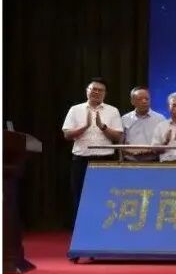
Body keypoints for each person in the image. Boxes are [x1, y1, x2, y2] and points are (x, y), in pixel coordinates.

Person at [62, 77, 124, 223]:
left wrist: (103, 127)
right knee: (80, 195)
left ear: (105, 94)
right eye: (93, 89)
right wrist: (85, 126)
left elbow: (118, 136)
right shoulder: (75, 109)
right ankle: (81, 228)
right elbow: (67, 135)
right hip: (81, 160)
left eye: (100, 90)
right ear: (87, 91)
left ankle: (103, 227)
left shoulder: (112, 110)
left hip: (105, 160)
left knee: (105, 195)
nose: (96, 92)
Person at [120, 86, 165, 162]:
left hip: (153, 162)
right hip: (130, 161)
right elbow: (120, 143)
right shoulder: (125, 118)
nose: (144, 101)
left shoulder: (160, 119)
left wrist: (150, 150)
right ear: (132, 102)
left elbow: (164, 143)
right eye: (140, 99)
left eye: (147, 99)